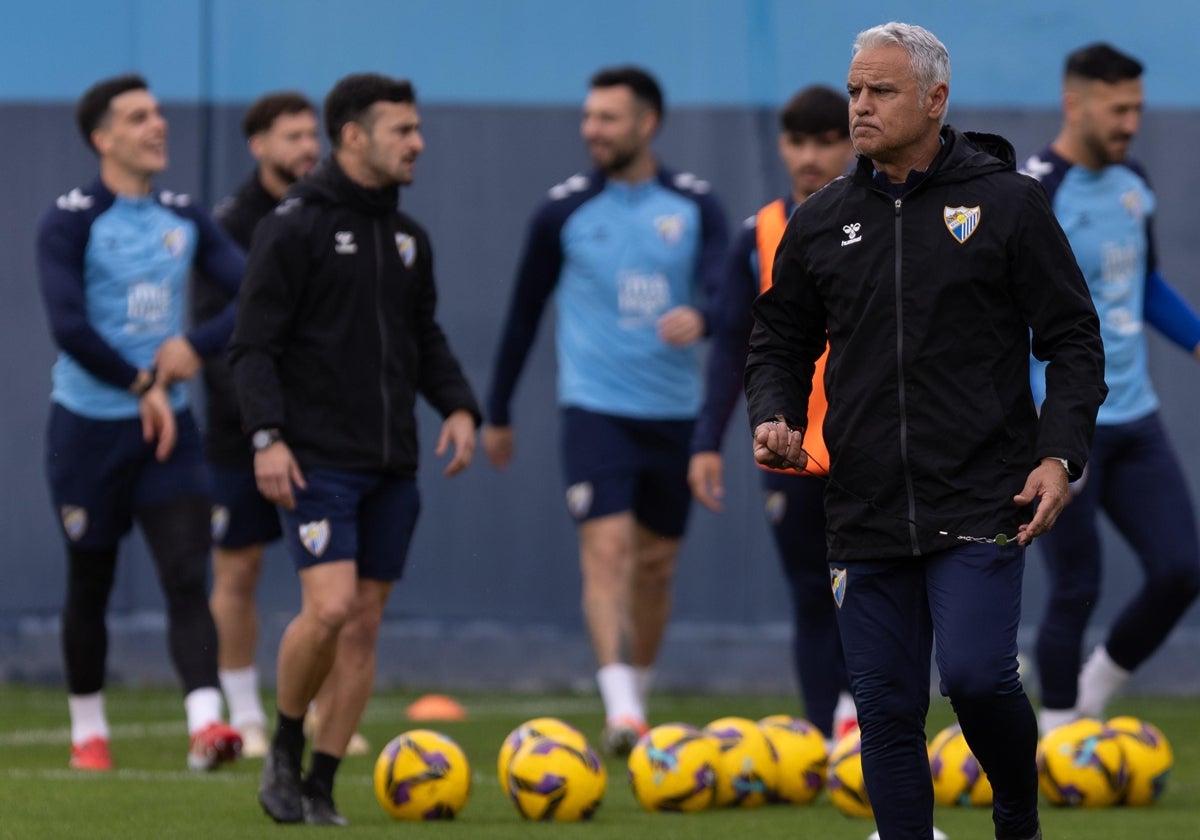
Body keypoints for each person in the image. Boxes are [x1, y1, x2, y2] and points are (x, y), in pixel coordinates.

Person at [744, 22, 1107, 840]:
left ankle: (1016, 812)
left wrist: (1058, 454)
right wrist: (773, 413)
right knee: (887, 711)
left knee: (978, 680)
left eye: (880, 92)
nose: (860, 107)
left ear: (935, 100)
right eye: (854, 92)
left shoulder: (1010, 204)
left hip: (980, 496)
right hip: (863, 507)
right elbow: (778, 339)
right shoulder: (821, 219)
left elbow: (1074, 340)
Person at [230, 72, 480, 826]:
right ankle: (283, 742)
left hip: (392, 463)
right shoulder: (294, 225)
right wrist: (266, 437)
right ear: (352, 136)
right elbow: (250, 348)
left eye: (416, 128)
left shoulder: (409, 238)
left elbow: (423, 337)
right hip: (314, 459)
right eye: (402, 130)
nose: (418, 143)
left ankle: (321, 784)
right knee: (330, 607)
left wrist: (460, 406)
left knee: (365, 621)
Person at [482, 66, 729, 757]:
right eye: (588, 117)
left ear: (646, 124)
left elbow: (720, 288)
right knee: (607, 550)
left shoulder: (695, 204)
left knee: (654, 567)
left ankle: (638, 691)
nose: (592, 130)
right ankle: (620, 709)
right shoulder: (561, 212)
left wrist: (702, 316)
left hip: (675, 414)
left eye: (608, 118)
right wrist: (496, 409)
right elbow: (523, 314)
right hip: (594, 409)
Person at [36, 74, 245, 772]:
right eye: (138, 118)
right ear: (103, 138)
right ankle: (89, 732)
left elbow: (253, 295)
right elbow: (68, 325)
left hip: (169, 433)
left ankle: (206, 726)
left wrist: (194, 347)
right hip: (87, 432)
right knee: (89, 580)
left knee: (187, 575)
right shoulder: (69, 219)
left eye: (158, 114)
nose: (158, 126)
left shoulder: (184, 216)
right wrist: (140, 384)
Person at [1021, 43, 1200, 734]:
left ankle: (1092, 688)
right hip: (1066, 425)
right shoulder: (1036, 192)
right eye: (1118, 108)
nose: (1131, 122)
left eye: (1138, 108)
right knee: (1077, 586)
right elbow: (1005, 316)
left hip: (1138, 417)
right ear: (1076, 103)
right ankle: (1057, 737)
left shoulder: (1135, 181)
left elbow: (1145, 283)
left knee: (1182, 569)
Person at [689, 85, 857, 747]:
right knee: (813, 597)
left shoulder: (883, 222)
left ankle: (868, 725)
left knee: (875, 595)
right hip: (791, 450)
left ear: (850, 143)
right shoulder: (758, 233)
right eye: (798, 142)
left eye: (825, 141)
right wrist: (707, 441)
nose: (810, 156)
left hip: (868, 448)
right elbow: (733, 346)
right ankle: (824, 738)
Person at [197, 90, 320, 759]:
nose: (308, 147)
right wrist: (260, 426)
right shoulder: (227, 225)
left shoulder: (330, 212)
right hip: (239, 434)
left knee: (328, 575)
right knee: (237, 570)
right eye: (294, 136)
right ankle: (243, 714)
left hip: (322, 433)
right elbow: (221, 342)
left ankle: (324, 714)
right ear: (259, 144)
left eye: (314, 135)